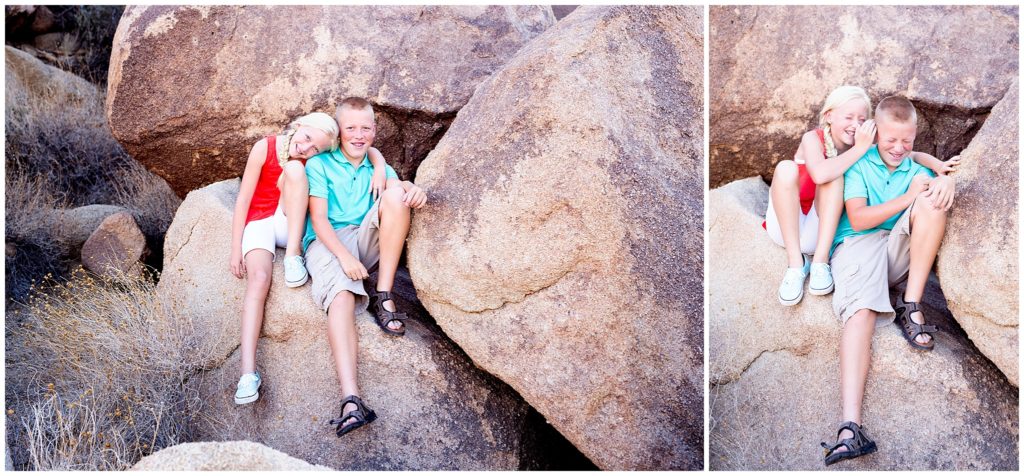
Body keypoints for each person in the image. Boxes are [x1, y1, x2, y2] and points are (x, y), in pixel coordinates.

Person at [821, 96, 957, 465]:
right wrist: (910, 197)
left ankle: (910, 306)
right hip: (856, 245)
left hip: (895, 253)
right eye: (890, 141)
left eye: (907, 142)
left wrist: (947, 183)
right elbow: (860, 218)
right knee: (861, 313)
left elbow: (929, 182)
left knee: (932, 204)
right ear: (875, 131)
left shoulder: (915, 167)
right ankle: (851, 428)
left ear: (915, 136)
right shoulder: (858, 163)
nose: (899, 149)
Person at [228, 112, 389, 405]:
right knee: (259, 281)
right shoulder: (265, 146)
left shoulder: (313, 163)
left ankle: (293, 256)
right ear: (298, 126)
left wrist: (378, 162)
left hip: (288, 223)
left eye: (315, 148)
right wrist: (235, 247)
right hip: (259, 223)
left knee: (295, 170)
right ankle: (247, 373)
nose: (305, 149)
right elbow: (243, 198)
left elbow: (363, 147)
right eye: (305, 139)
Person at [302, 97, 427, 437]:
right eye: (351, 128)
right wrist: (344, 257)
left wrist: (411, 188)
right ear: (339, 131)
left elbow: (397, 190)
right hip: (329, 242)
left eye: (366, 128)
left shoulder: (380, 167)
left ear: (374, 130)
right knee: (340, 296)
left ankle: (383, 294)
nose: (359, 135)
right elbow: (318, 220)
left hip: (367, 240)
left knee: (396, 197)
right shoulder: (320, 164)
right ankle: (351, 400)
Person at [764, 86, 957, 306]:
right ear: (829, 116)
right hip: (787, 225)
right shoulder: (814, 138)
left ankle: (819, 262)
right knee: (787, 168)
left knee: (837, 178)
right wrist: (861, 148)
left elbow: (909, 154)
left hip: (818, 232)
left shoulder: (865, 147)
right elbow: (819, 174)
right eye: (848, 117)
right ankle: (795, 265)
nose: (855, 124)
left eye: (862, 119)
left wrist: (939, 166)